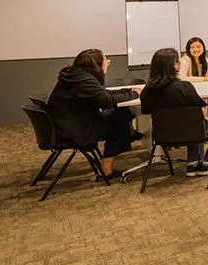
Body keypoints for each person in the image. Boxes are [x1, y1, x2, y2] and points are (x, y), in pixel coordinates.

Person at [46, 49, 140, 180]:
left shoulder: (74, 76)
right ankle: (107, 169)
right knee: (120, 117)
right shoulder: (85, 81)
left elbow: (102, 94)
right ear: (96, 64)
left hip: (65, 125)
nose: (107, 63)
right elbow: (107, 101)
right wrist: (134, 94)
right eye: (106, 60)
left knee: (121, 114)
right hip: (76, 131)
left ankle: (131, 135)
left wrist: (128, 90)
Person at [139, 48, 208, 177]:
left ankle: (193, 163)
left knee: (192, 123)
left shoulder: (148, 91)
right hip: (193, 131)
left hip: (163, 134)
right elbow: (200, 111)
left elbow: (146, 110)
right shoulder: (185, 87)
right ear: (175, 66)